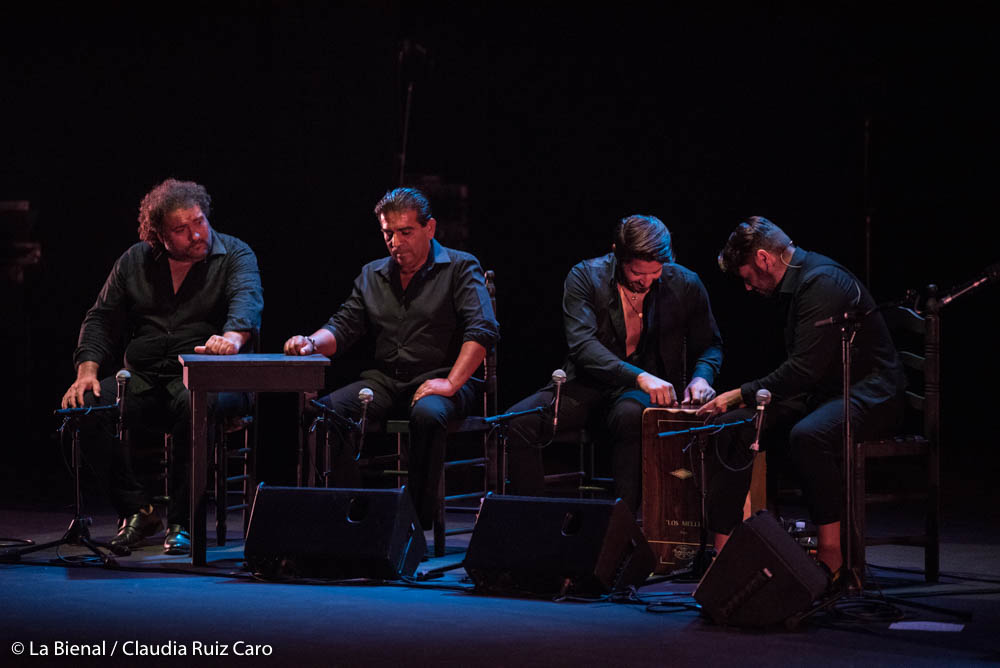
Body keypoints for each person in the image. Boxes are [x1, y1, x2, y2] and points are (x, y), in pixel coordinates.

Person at [61, 178, 263, 554]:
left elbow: (247, 301)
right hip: (144, 378)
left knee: (193, 403)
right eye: (181, 229)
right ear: (159, 235)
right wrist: (86, 371)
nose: (196, 234)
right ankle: (138, 509)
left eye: (199, 221)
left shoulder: (235, 254)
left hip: (205, 377)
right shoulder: (135, 260)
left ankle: (183, 521)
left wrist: (232, 338)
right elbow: (101, 318)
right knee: (84, 409)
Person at [697, 216, 904, 575]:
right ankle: (723, 557)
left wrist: (739, 393)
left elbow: (804, 370)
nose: (747, 287)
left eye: (747, 277)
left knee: (808, 436)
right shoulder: (801, 283)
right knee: (736, 426)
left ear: (763, 259)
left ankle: (832, 556)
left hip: (872, 394)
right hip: (825, 392)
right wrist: (743, 402)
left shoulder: (821, 283)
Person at [283, 187, 499, 529]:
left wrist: (450, 382)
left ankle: (413, 524)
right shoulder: (373, 274)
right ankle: (351, 517)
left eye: (405, 232)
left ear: (430, 228)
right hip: (386, 380)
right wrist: (310, 342)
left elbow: (482, 329)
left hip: (443, 377)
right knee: (326, 414)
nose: (395, 242)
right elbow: (343, 326)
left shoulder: (460, 267)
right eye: (388, 234)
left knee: (428, 414)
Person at [504, 214, 723, 512]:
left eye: (656, 272)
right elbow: (583, 346)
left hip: (640, 395)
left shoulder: (685, 283)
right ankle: (536, 522)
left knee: (630, 416)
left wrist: (701, 377)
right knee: (518, 422)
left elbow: (709, 344)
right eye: (637, 272)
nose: (646, 281)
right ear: (617, 255)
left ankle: (623, 527)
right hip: (586, 384)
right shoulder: (585, 276)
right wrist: (639, 376)